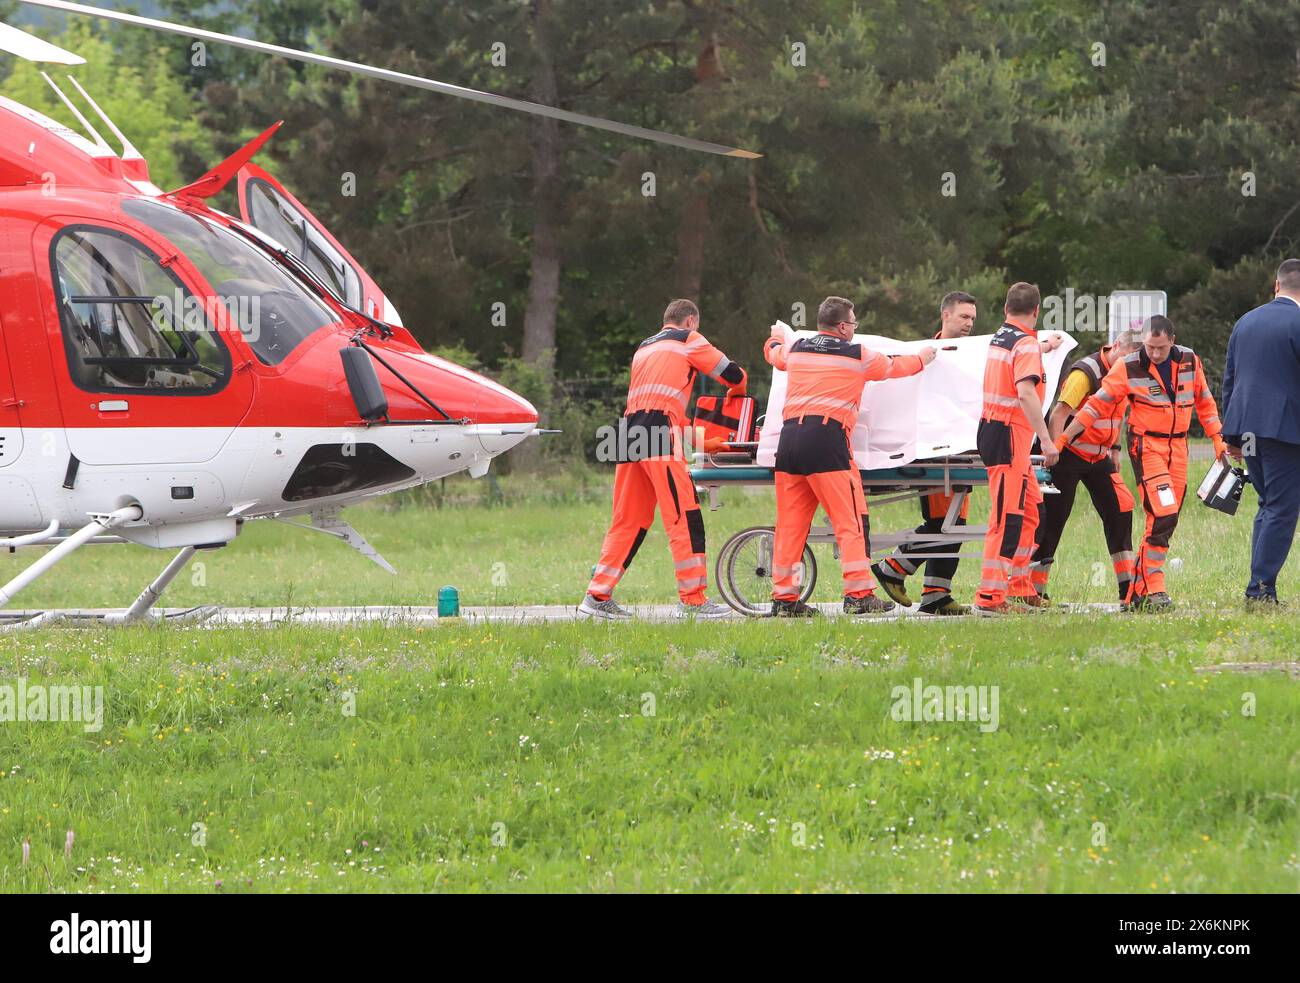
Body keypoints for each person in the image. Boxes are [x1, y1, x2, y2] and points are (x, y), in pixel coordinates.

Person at [764, 296, 936, 617]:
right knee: (850, 522)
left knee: (790, 525)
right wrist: (923, 357)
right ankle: (858, 594)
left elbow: (773, 354)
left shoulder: (798, 348)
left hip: (788, 444)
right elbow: (897, 366)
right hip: (827, 443)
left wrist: (775, 334)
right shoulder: (857, 355)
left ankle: (784, 599)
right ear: (843, 326)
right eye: (854, 324)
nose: (855, 330)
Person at [579, 299, 746, 620]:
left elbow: (661, 408)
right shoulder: (689, 340)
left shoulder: (644, 347)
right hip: (658, 437)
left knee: (628, 522)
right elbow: (733, 373)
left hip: (627, 434)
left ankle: (596, 596)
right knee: (684, 517)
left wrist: (703, 441)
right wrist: (738, 392)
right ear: (691, 321)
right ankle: (693, 600)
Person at [1061, 315, 1226, 611]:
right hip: (1146, 445)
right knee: (1162, 511)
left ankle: (1137, 590)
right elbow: (1096, 405)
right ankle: (1154, 587)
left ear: (1172, 341)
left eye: (1160, 348)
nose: (1154, 353)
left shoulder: (1190, 360)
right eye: (1150, 347)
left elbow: (1204, 400)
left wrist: (1217, 438)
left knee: (1168, 516)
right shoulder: (1128, 365)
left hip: (1178, 446)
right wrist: (1064, 438)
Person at [873, 291, 978, 615]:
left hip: (962, 452)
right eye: (963, 317)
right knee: (943, 522)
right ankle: (893, 567)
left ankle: (936, 593)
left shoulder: (971, 356)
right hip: (936, 454)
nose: (969, 324)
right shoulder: (926, 357)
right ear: (945, 315)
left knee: (955, 522)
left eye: (973, 319)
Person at [1030, 331, 1141, 604]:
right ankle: (1032, 590)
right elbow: (1059, 413)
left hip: (1098, 456)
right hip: (1066, 454)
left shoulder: (1128, 371)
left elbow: (1117, 412)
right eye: (1125, 358)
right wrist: (1053, 450)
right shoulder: (1086, 373)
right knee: (1053, 519)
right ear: (1115, 347)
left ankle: (1128, 590)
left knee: (1120, 510)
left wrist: (1114, 448)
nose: (1128, 365)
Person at [974, 283, 1060, 615]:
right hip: (1009, 436)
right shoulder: (1024, 346)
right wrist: (1047, 439)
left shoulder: (1002, 337)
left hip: (1000, 433)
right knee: (1006, 517)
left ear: (1006, 308)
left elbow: (1021, 351)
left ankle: (1020, 587)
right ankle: (990, 598)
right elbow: (1026, 393)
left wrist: (1044, 347)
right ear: (1036, 311)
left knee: (1030, 511)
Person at [1222, 258, 1300, 606]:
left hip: (1248, 428)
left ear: (1276, 285)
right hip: (1284, 430)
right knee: (1283, 508)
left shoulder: (1245, 321)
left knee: (1267, 503)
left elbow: (1230, 380)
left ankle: (1260, 584)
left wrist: (1232, 436)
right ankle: (1260, 588)